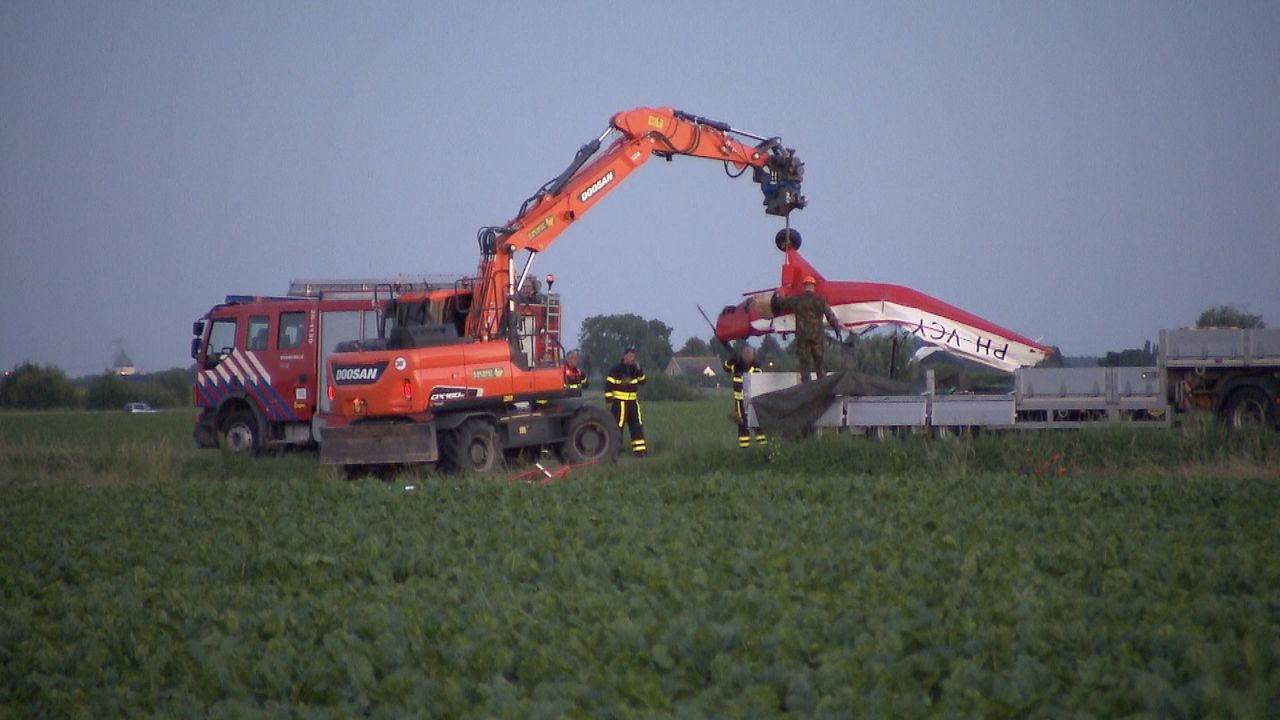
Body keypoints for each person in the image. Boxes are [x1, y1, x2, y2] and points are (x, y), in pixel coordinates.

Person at [774, 275, 842, 382]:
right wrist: (836, 328)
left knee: (804, 365)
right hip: (817, 337)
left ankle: (806, 389)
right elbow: (830, 316)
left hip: (802, 337)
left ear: (804, 286)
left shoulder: (797, 300)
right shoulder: (820, 300)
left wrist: (775, 298)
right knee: (819, 363)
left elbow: (782, 303)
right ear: (813, 286)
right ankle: (822, 387)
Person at [723, 344, 768, 448]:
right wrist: (732, 359)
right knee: (742, 424)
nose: (747, 356)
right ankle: (744, 447)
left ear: (753, 355)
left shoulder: (756, 366)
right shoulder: (737, 365)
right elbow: (726, 368)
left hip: (753, 400)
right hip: (739, 402)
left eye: (749, 354)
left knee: (756, 423)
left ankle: (764, 446)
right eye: (745, 354)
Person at [605, 346, 647, 456]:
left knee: (636, 426)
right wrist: (609, 401)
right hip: (620, 404)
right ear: (625, 356)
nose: (632, 358)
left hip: (633, 403)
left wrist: (640, 370)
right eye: (630, 356)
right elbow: (608, 386)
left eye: (634, 356)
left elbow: (643, 382)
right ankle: (615, 450)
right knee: (618, 427)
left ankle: (640, 451)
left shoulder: (636, 369)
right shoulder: (616, 369)